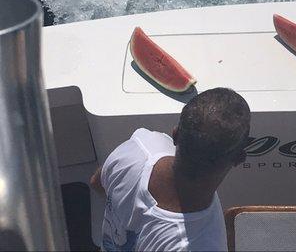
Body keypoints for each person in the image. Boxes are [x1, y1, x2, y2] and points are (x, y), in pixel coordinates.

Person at [89, 87, 251, 251]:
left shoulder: (139, 148)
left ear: (175, 135)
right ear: (239, 158)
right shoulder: (205, 245)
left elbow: (97, 182)